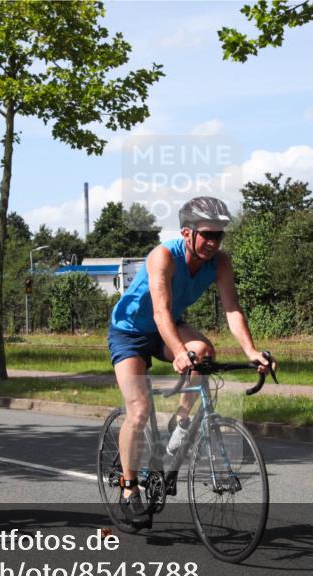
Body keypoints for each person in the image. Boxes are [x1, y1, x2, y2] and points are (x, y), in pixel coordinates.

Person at [107, 196, 275, 525]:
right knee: (138, 410)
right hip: (129, 332)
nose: (213, 242)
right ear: (187, 233)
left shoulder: (220, 262)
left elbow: (232, 310)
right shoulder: (163, 256)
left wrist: (251, 352)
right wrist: (179, 352)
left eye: (219, 235)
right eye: (207, 234)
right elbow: (160, 312)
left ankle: (180, 423)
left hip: (167, 326)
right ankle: (128, 489)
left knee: (205, 352)